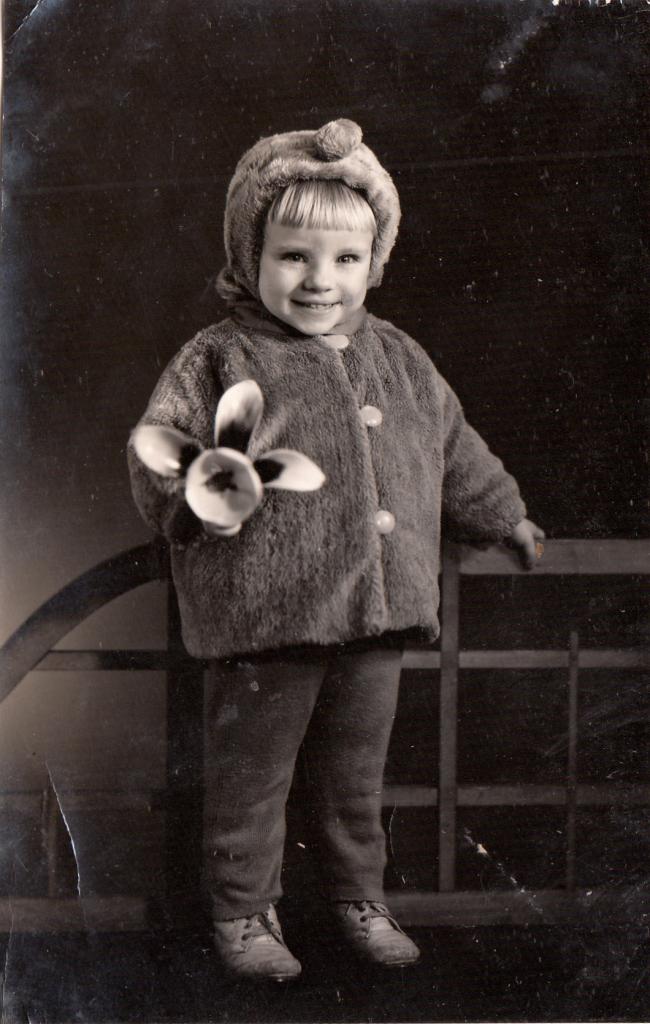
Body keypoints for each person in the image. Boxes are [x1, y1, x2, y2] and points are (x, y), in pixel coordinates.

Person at [128, 118, 544, 982]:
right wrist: (194, 497)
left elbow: (452, 447)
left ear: (373, 261)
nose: (321, 280)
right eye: (294, 257)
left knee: (356, 779)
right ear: (250, 255)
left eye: (346, 258)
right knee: (252, 780)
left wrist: (502, 515)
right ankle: (243, 912)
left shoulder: (401, 358)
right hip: (266, 618)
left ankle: (360, 900)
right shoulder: (220, 354)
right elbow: (158, 448)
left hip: (378, 612)